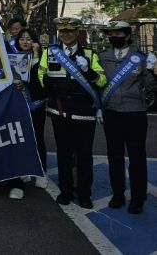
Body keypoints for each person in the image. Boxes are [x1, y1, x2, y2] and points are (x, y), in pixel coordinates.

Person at [38, 17, 107, 209]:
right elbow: (41, 74)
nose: (66, 34)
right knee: (64, 153)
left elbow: (102, 80)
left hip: (83, 112)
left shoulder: (90, 54)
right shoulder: (49, 52)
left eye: (70, 31)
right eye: (63, 31)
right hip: (59, 110)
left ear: (77, 32)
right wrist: (48, 88)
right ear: (59, 33)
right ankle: (66, 191)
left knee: (84, 154)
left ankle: (84, 193)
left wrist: (88, 71)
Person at [98, 21, 156, 214]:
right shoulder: (102, 57)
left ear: (128, 35)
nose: (114, 36)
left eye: (118, 33)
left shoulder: (139, 57)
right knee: (114, 155)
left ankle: (138, 198)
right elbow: (98, 82)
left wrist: (152, 71)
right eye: (111, 34)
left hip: (135, 112)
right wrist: (98, 106)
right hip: (111, 112)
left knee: (136, 156)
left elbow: (151, 86)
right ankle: (118, 194)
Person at [15, 28, 48, 189]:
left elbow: (38, 78)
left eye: (28, 39)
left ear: (34, 41)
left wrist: (35, 54)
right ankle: (25, 169)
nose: (25, 42)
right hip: (19, 104)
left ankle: (41, 172)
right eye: (22, 39)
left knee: (38, 138)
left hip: (36, 104)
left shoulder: (42, 57)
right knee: (21, 138)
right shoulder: (13, 57)